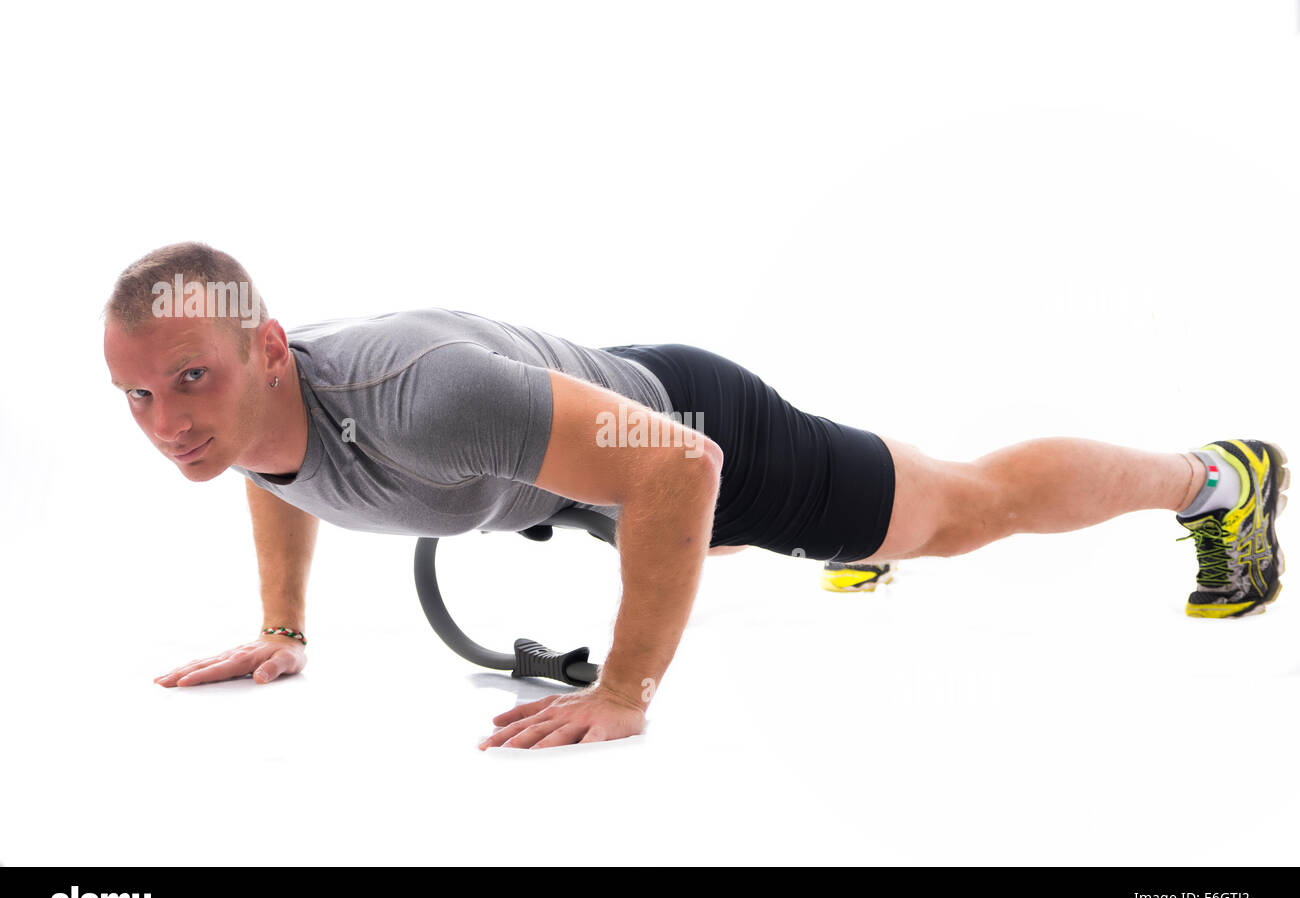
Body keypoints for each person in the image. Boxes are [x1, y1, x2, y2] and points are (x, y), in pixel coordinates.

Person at [104, 242, 1289, 750]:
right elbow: (281, 468)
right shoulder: (255, 412)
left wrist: (626, 691)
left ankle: (1213, 479)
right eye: (137, 397)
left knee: (950, 512)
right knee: (681, 526)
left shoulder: (423, 391)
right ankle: (834, 508)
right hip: (584, 465)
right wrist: (282, 625)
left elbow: (678, 470)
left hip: (695, 428)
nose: (167, 429)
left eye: (187, 382)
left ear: (264, 346)